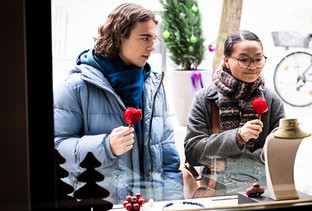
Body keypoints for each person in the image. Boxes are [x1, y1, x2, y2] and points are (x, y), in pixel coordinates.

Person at [53, 3, 183, 204]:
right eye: (145, 38)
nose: (153, 46)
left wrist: (173, 203)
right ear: (120, 36)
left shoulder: (154, 85)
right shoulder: (77, 86)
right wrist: (106, 146)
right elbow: (57, 147)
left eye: (154, 38)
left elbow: (167, 152)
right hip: (102, 204)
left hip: (150, 204)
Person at [184, 30, 285, 196]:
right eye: (243, 60)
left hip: (261, 193)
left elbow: (279, 154)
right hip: (216, 193)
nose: (252, 67)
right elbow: (193, 152)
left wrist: (225, 161)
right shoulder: (205, 99)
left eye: (258, 59)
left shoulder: (272, 101)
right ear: (226, 60)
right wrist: (238, 137)